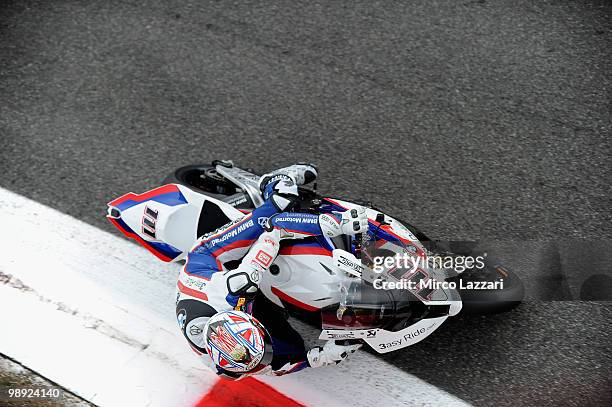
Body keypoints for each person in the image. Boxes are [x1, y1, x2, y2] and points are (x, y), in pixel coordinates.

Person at [175, 164, 367, 379]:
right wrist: (319, 357)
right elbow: (273, 368)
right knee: (289, 349)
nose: (265, 351)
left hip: (208, 258)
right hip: (226, 306)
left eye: (261, 343)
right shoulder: (228, 365)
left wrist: (335, 224)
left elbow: (276, 230)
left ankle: (276, 180)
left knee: (280, 206)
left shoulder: (237, 287)